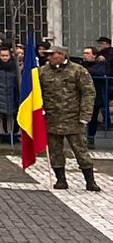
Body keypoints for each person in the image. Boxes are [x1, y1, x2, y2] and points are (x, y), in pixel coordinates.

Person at [39, 42, 99, 190]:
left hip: (73, 118)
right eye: (48, 55)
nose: (49, 57)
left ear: (62, 55)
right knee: (55, 152)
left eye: (52, 54)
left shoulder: (78, 71)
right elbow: (36, 93)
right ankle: (61, 179)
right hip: (52, 118)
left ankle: (90, 181)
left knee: (81, 151)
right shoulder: (42, 72)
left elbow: (88, 93)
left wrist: (85, 114)